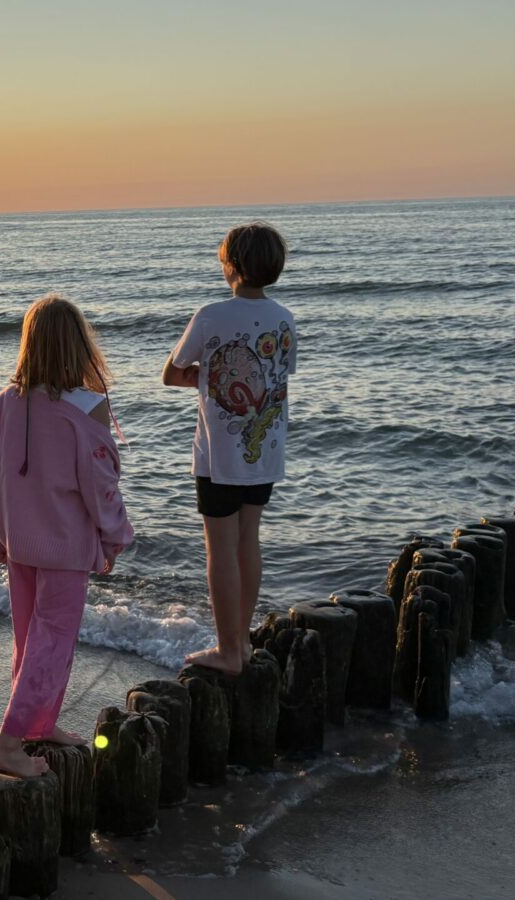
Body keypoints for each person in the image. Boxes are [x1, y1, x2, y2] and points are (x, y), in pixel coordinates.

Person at [0, 294, 133, 777]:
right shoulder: (87, 407)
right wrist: (114, 538)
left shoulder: (7, 402)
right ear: (79, 346)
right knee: (51, 643)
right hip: (64, 547)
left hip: (18, 544)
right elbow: (101, 488)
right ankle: (8, 744)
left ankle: (39, 725)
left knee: (30, 641)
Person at [161, 223, 297, 674]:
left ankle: (226, 651)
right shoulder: (284, 318)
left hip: (219, 457)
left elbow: (171, 373)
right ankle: (241, 644)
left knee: (220, 551)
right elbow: (278, 375)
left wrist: (206, 376)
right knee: (248, 543)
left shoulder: (211, 314)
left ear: (233, 267)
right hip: (266, 451)